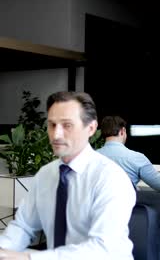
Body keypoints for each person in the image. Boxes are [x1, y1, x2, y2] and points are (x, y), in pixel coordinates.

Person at [0, 91, 136, 259]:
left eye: (67, 125)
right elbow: (23, 226)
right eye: (52, 125)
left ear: (91, 128)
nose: (56, 135)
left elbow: (102, 249)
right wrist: (2, 250)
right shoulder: (46, 175)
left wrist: (29, 257)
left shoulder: (110, 178)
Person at [97, 115, 160, 192]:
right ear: (122, 131)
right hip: (126, 203)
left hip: (98, 203)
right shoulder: (137, 158)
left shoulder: (90, 157)